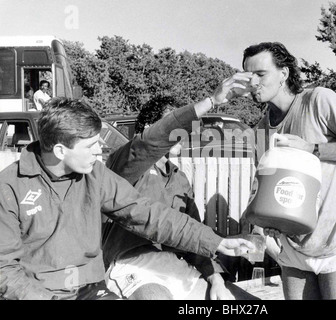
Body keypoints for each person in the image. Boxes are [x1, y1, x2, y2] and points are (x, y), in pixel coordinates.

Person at [0, 98, 254, 300]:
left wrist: (215, 242)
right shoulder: (9, 187)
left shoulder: (95, 175)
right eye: (90, 146)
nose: (99, 150)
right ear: (59, 151)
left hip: (90, 289)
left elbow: (146, 214)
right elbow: (4, 269)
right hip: (37, 292)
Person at [217, 41, 336, 299]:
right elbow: (268, 191)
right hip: (294, 249)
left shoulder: (318, 100)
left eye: (261, 74)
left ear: (283, 74)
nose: (253, 83)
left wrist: (312, 149)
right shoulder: (260, 131)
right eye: (249, 76)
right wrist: (268, 220)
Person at [103, 101, 257, 300]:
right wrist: (211, 101)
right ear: (151, 129)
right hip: (133, 265)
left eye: (185, 130)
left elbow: (194, 236)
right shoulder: (127, 166)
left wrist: (216, 280)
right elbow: (144, 146)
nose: (183, 135)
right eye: (175, 127)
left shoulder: (180, 179)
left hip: (175, 267)